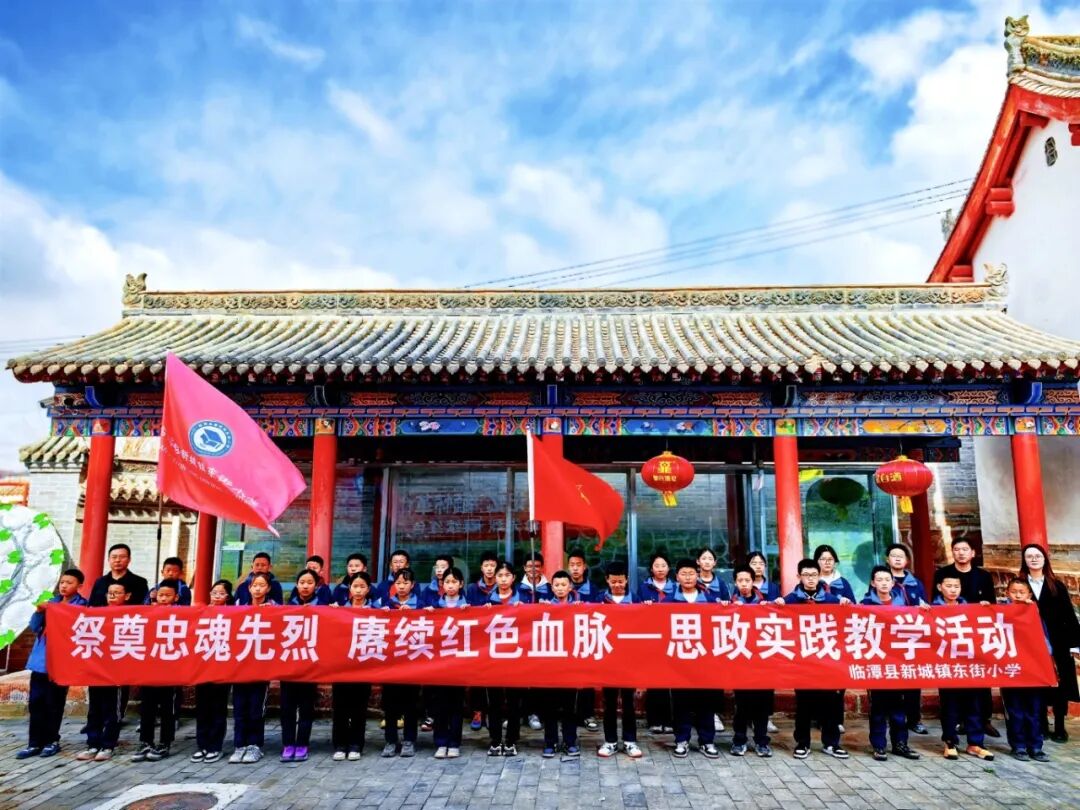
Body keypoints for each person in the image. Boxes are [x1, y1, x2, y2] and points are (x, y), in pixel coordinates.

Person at [17, 569, 88, 760]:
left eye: (69, 583)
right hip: (41, 661)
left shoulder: (82, 605)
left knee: (54, 703)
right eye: (62, 582)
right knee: (36, 703)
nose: (64, 586)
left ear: (79, 586)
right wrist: (39, 612)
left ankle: (51, 741)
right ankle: (34, 743)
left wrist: (57, 611)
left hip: (61, 662)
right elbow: (35, 627)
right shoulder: (51, 602)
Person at [936, 538, 999, 738]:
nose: (961, 553)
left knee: (980, 675)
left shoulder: (983, 576)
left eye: (965, 549)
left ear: (973, 553)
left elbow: (992, 605)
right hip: (951, 633)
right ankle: (957, 722)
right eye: (957, 549)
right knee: (953, 677)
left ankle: (984, 719)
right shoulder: (943, 574)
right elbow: (935, 604)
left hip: (977, 633)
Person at [785, 559, 847, 760]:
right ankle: (802, 743)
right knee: (804, 704)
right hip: (802, 661)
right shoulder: (789, 601)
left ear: (819, 576)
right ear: (799, 577)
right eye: (806, 575)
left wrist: (846, 606)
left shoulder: (833, 600)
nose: (810, 579)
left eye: (813, 575)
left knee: (831, 704)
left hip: (827, 660)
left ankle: (831, 743)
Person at [1018, 543, 1080, 743]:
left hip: (1057, 641)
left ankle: (1060, 726)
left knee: (1059, 684)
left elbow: (1069, 615)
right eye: (1029, 556)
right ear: (1024, 561)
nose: (1034, 559)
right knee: (1038, 684)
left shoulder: (1056, 585)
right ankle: (1042, 724)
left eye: (1038, 556)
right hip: (1031, 642)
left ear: (1045, 559)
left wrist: (1075, 642)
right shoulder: (1020, 585)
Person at [860, 566, 921, 762]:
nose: (884, 583)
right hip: (876, 662)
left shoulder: (904, 603)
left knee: (899, 708)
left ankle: (900, 743)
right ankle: (879, 745)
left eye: (887, 579)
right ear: (873, 583)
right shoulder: (864, 605)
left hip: (899, 661)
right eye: (879, 580)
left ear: (893, 582)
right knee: (878, 708)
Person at [933, 569, 994, 761]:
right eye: (948, 586)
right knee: (950, 705)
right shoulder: (932, 609)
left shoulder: (970, 608)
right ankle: (950, 741)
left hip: (969, 665)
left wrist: (985, 609)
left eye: (956, 586)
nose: (953, 590)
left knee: (974, 704)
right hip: (947, 666)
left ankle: (975, 743)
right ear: (940, 587)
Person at [670, 558, 720, 759]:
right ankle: (681, 740)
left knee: (706, 703)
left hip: (705, 660)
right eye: (684, 574)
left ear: (697, 575)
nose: (688, 577)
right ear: (677, 577)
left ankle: (707, 741)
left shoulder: (711, 599)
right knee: (681, 703)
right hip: (680, 660)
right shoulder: (668, 602)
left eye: (691, 573)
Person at [728, 565, 779, 758]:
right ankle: (739, 740)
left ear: (753, 581)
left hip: (763, 661)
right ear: (735, 582)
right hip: (740, 662)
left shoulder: (766, 602)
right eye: (740, 581)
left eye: (747, 580)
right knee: (742, 706)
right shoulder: (728, 604)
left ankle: (761, 741)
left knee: (762, 707)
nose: (744, 584)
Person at [77, 581, 130, 762]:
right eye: (110, 592)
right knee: (94, 710)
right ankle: (93, 744)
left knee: (112, 711)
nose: (112, 595)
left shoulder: (132, 616)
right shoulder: (96, 615)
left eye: (117, 592)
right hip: (97, 670)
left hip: (116, 673)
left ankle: (108, 745)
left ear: (127, 596)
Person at [594, 561, 642, 758]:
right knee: (610, 702)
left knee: (629, 702)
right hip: (607, 658)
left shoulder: (635, 599)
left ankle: (630, 741)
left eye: (621, 581)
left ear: (627, 579)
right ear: (607, 580)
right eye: (613, 582)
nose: (617, 585)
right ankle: (610, 741)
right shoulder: (599, 599)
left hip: (629, 659)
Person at [1000, 577, 1051, 761]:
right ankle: (1018, 745)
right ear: (1007, 593)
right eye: (1014, 592)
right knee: (1015, 710)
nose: (1018, 595)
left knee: (1034, 710)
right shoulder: (1000, 612)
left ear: (1029, 594)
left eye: (1022, 592)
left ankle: (1036, 746)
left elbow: (1046, 643)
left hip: (1032, 669)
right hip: (1011, 669)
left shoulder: (1034, 613)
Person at [280, 569, 329, 762]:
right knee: (287, 708)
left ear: (316, 586)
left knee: (306, 708)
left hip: (310, 666)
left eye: (309, 582)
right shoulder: (286, 607)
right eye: (302, 582)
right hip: (288, 666)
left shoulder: (324, 607)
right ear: (296, 584)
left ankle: (302, 744)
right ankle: (287, 744)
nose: (305, 586)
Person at [881, 543, 929, 735]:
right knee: (890, 678)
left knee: (912, 680)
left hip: (911, 637)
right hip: (889, 637)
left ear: (907, 560)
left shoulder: (916, 583)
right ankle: (889, 716)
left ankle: (914, 719)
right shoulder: (882, 580)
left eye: (901, 555)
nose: (898, 558)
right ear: (887, 559)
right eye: (893, 555)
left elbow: (926, 606)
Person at [132, 580, 182, 762]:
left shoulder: (183, 615)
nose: (164, 598)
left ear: (176, 597)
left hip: (172, 670)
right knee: (147, 708)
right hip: (150, 669)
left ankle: (165, 743)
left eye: (168, 595)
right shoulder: (148, 613)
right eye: (161, 595)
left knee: (168, 709)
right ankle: (145, 741)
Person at [332, 571, 378, 761]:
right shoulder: (338, 610)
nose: (358, 590)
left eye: (362, 587)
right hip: (341, 666)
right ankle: (340, 744)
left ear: (368, 589)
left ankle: (356, 744)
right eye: (355, 586)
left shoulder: (376, 611)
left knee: (359, 708)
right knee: (340, 707)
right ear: (349, 589)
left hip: (364, 667)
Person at [230, 571, 276, 764]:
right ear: (249, 588)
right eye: (254, 585)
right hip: (240, 667)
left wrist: (271, 612)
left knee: (256, 709)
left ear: (268, 588)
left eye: (261, 585)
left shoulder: (274, 609)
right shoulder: (239, 609)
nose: (258, 589)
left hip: (261, 669)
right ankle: (239, 745)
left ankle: (254, 745)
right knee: (239, 708)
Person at [427, 567, 469, 759]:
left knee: (456, 705)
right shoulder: (434, 605)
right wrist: (428, 613)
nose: (450, 586)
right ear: (441, 585)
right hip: (439, 663)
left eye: (454, 582)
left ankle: (454, 743)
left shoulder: (469, 605)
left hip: (459, 663)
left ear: (461, 584)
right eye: (447, 582)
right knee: (440, 705)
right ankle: (440, 742)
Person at [540, 571, 581, 758]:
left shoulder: (579, 607)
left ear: (570, 587)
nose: (560, 588)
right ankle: (550, 742)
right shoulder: (544, 607)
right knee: (549, 706)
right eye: (556, 585)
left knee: (569, 707)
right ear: (552, 587)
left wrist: (581, 610)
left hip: (571, 665)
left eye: (564, 585)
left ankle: (570, 741)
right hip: (550, 664)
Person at [192, 579, 233, 763]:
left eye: (221, 593)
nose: (217, 596)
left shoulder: (234, 614)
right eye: (214, 592)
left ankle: (215, 746)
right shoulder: (200, 612)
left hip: (222, 669)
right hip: (202, 667)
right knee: (202, 708)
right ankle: (202, 745)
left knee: (218, 708)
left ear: (228, 596)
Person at [382, 567, 421, 757]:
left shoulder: (421, 603)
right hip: (390, 662)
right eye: (398, 583)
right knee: (390, 705)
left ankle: (409, 740)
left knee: (411, 704)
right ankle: (390, 740)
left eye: (405, 583)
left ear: (412, 585)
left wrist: (417, 613)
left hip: (412, 662)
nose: (402, 586)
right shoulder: (386, 603)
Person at [486, 561, 523, 756]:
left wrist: (526, 609)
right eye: (500, 576)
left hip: (515, 660)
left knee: (514, 703)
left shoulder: (522, 598)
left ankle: (511, 740)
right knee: (494, 703)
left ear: (513, 578)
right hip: (492, 659)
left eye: (507, 575)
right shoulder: (488, 600)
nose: (503, 579)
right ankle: (495, 740)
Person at [696, 547, 730, 734]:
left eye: (710, 558)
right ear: (698, 562)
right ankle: (697, 713)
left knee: (714, 676)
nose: (707, 561)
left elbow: (728, 607)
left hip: (714, 635)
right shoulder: (691, 581)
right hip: (694, 635)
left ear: (715, 563)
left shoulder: (721, 585)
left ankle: (714, 714)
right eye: (704, 558)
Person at [640, 552, 675, 734]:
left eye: (663, 565)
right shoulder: (644, 588)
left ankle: (669, 720)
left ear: (668, 568)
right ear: (651, 569)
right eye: (656, 566)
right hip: (652, 637)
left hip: (672, 636)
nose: (660, 569)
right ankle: (654, 719)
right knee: (654, 678)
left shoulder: (676, 588)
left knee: (671, 679)